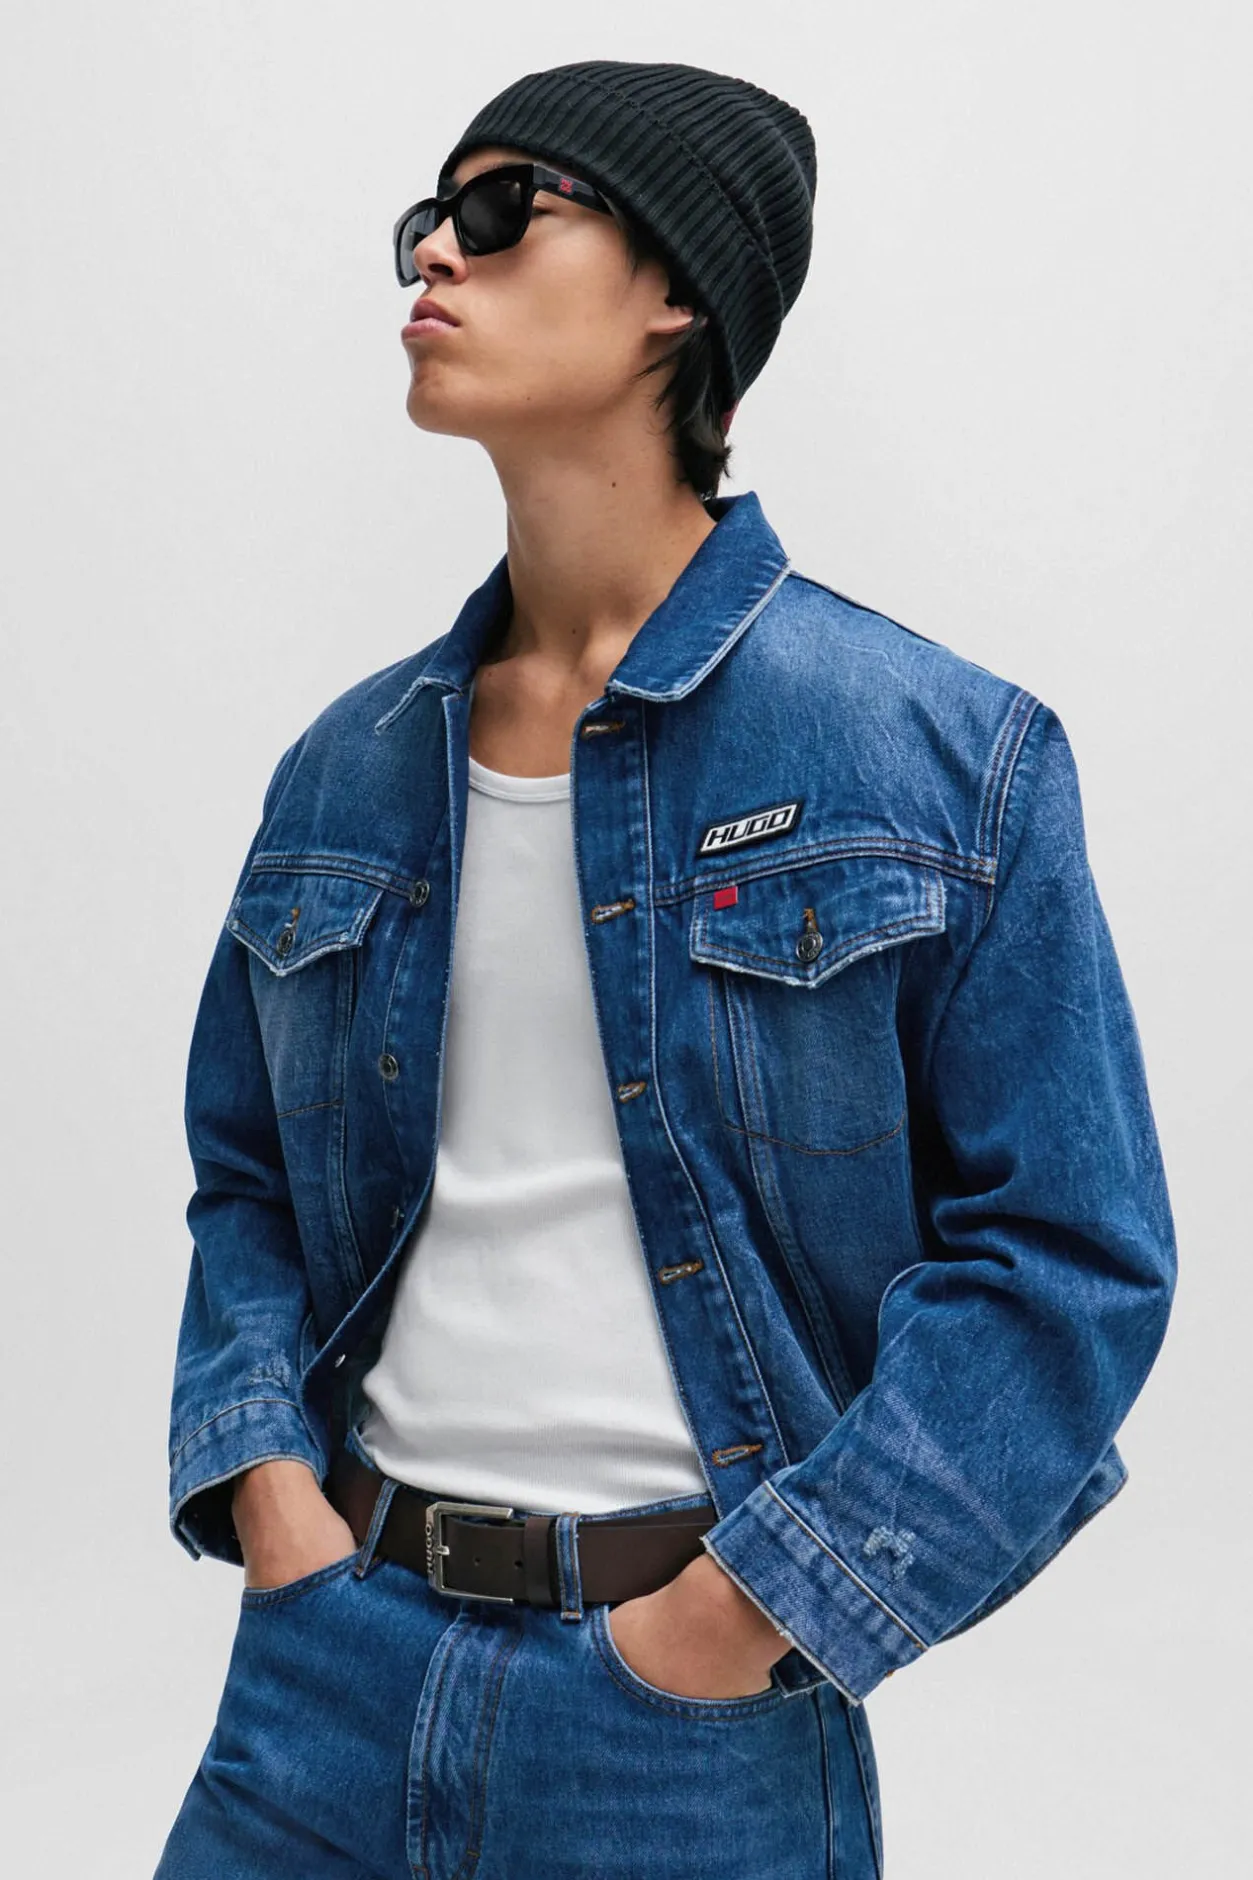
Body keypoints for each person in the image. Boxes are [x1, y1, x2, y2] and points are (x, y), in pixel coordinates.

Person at [153, 58, 1176, 1880]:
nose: (433, 257)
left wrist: (741, 1615)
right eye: (424, 221)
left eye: (498, 213)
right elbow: (246, 1183)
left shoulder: (943, 757)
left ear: (678, 291)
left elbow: (1067, 1262)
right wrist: (271, 1501)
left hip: (681, 1735)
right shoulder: (347, 768)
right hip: (322, 1683)